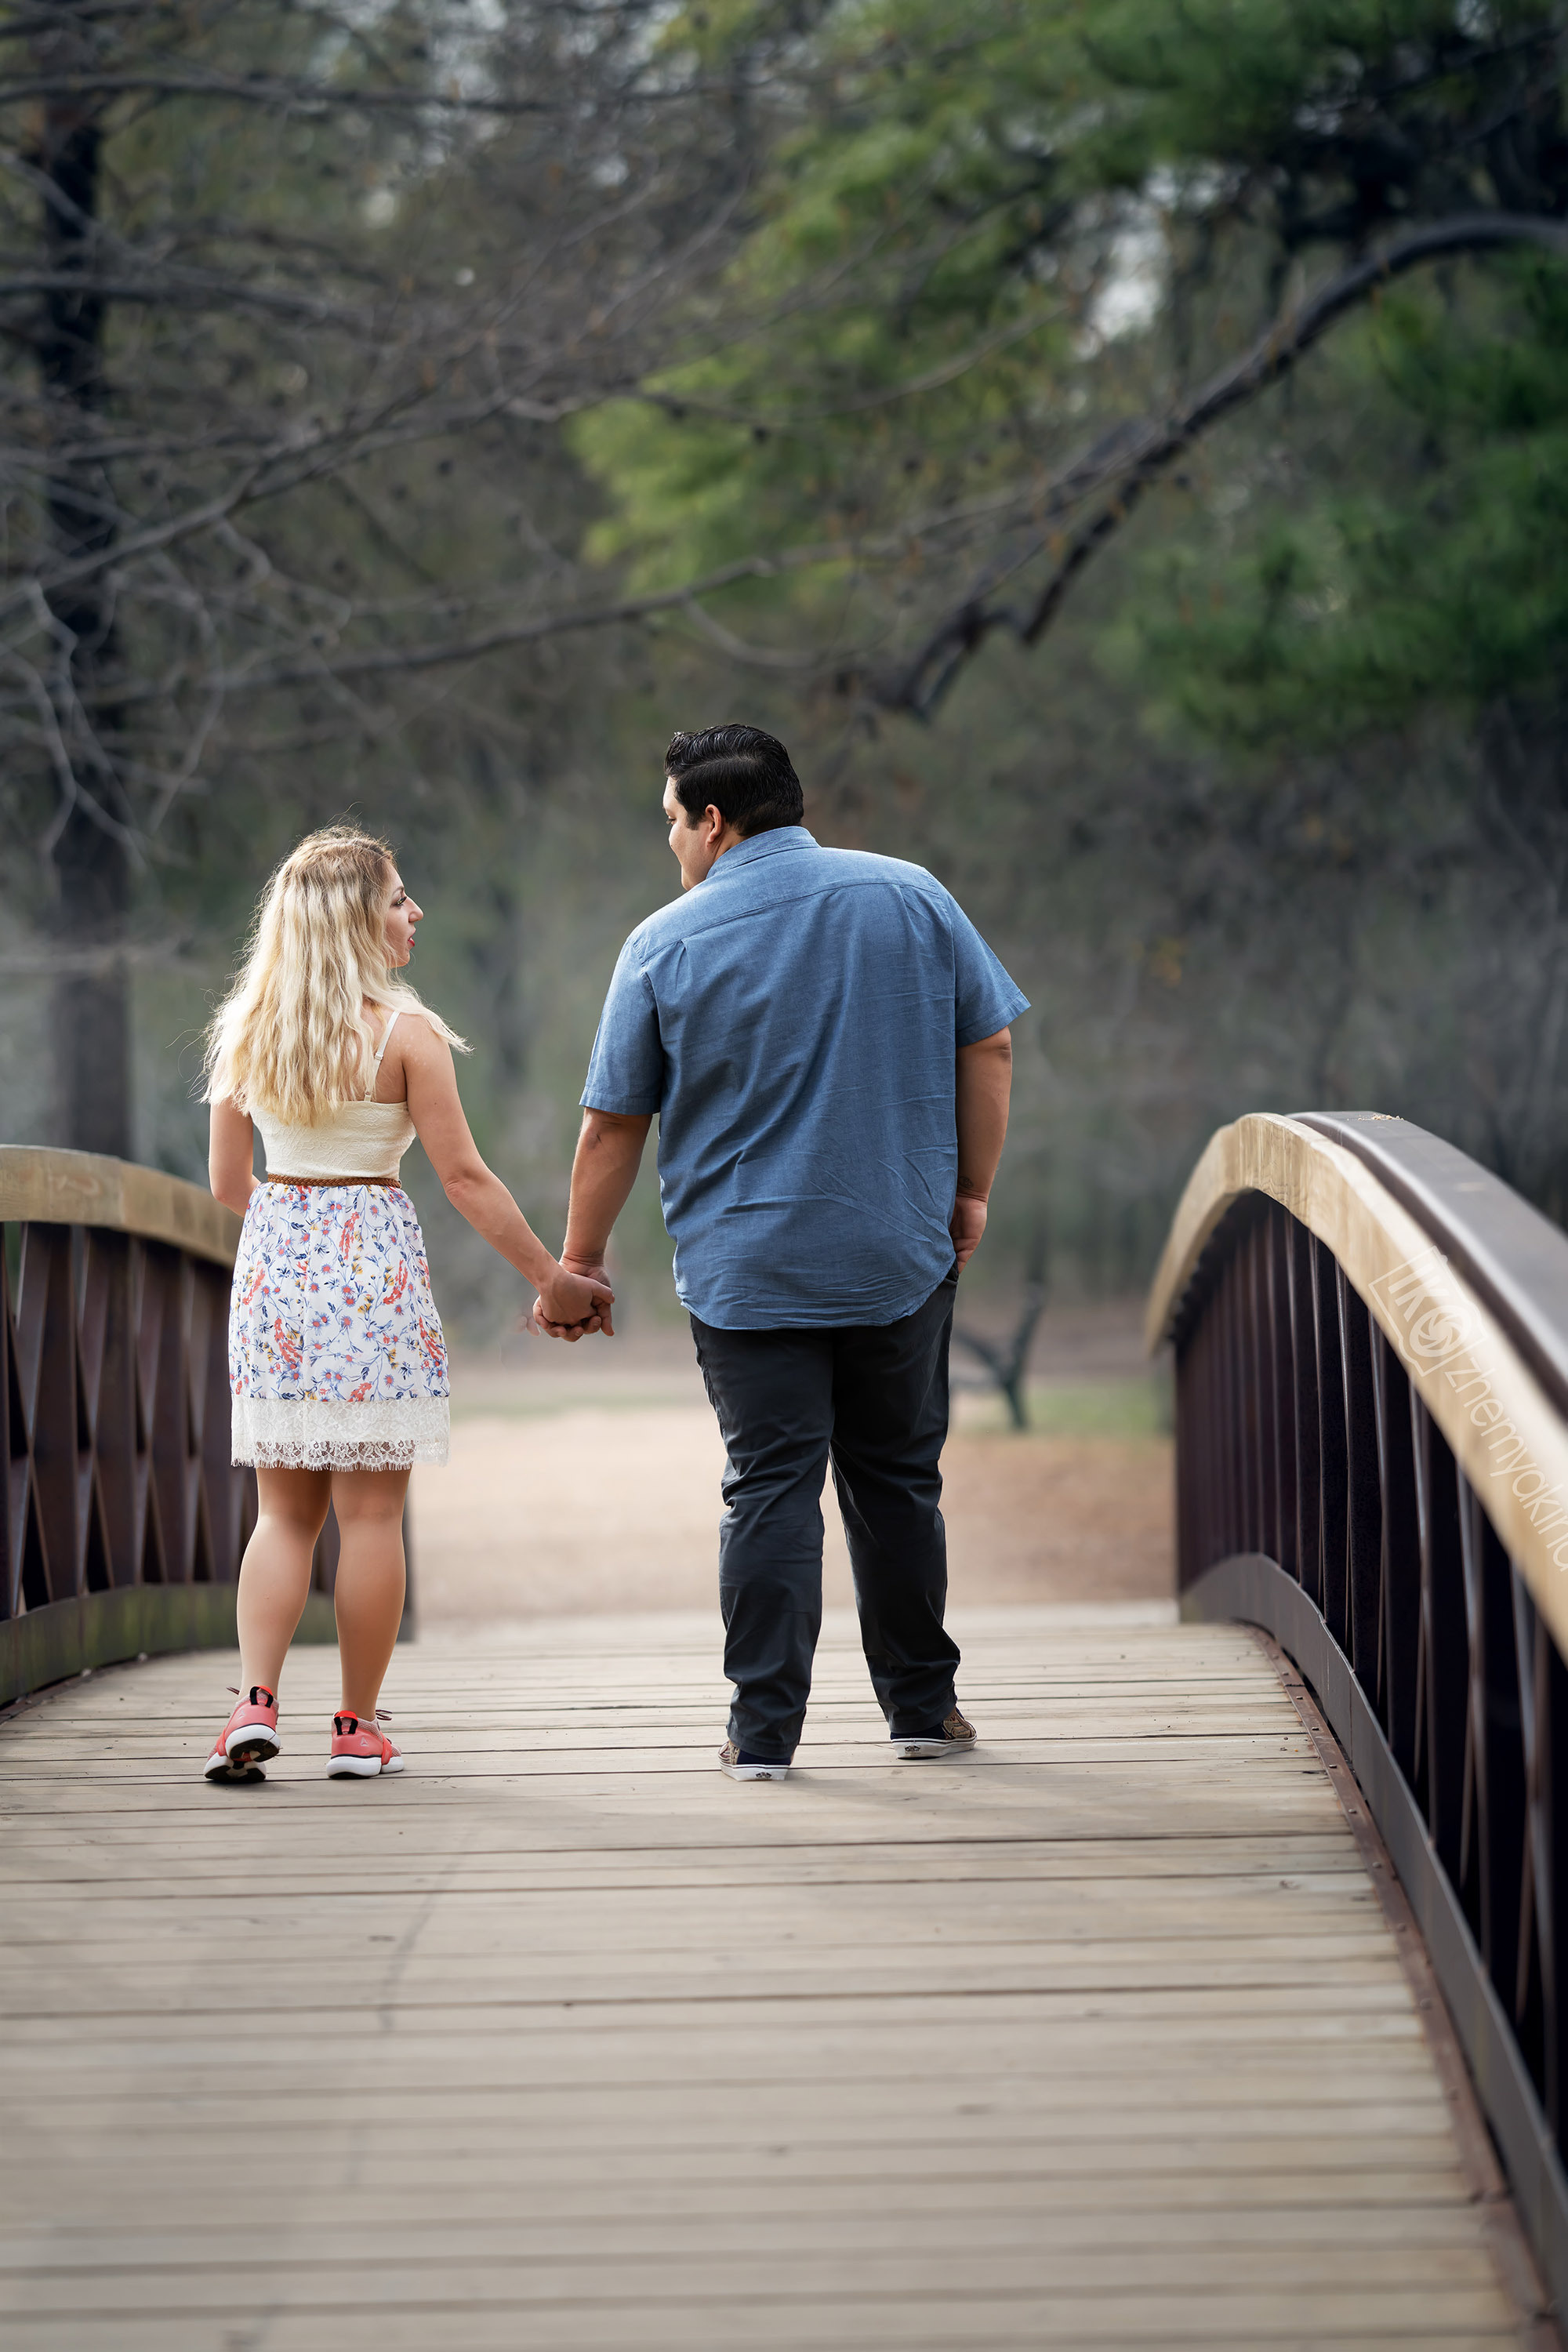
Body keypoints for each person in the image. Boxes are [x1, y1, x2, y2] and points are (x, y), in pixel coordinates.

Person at [537, 724, 1027, 1780]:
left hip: (747, 1270)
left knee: (768, 1487)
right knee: (897, 1480)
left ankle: (762, 1735)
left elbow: (610, 1126)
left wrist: (580, 1264)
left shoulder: (664, 941)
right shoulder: (911, 897)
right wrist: (971, 1191)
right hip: (899, 1248)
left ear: (716, 821)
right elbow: (987, 1041)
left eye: (674, 822)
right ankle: (920, 1713)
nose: (670, 844)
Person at [202, 826, 611, 1784]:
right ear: (353, 920)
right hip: (373, 1274)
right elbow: (464, 1179)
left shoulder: (246, 1028)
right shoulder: (406, 1035)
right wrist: (551, 1278)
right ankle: (353, 1726)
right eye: (396, 898)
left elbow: (230, 1180)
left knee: (282, 1517)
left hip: (278, 1281)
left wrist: (292, 1232)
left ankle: (252, 1706)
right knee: (372, 1517)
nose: (414, 911)